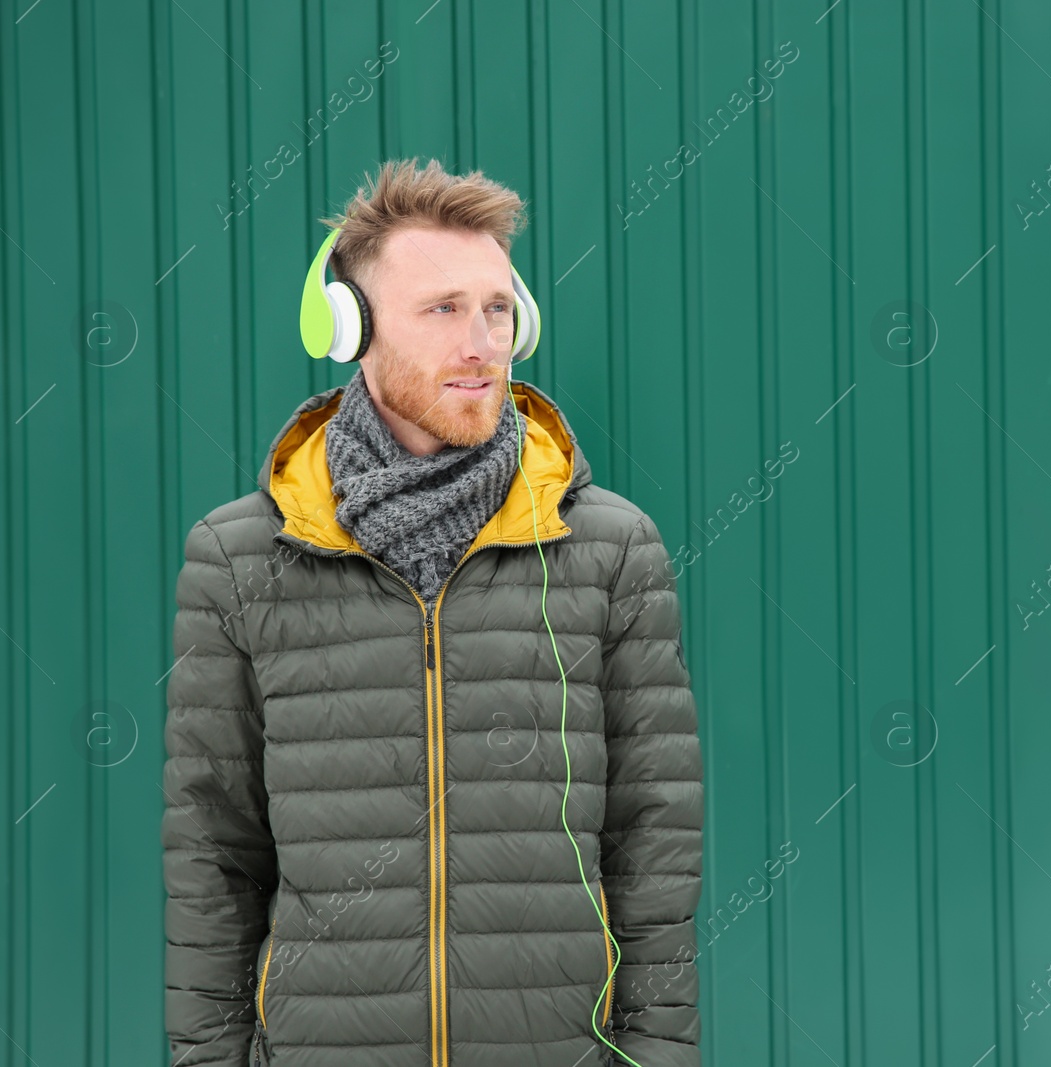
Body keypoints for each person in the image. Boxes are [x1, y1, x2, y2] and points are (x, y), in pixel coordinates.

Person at [161, 157, 703, 1067]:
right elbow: (213, 853)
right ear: (350, 330)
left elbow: (655, 841)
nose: (482, 341)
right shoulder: (239, 557)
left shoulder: (611, 549)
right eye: (443, 308)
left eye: (497, 308)